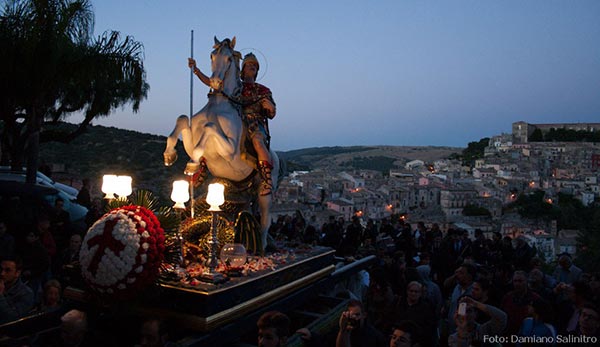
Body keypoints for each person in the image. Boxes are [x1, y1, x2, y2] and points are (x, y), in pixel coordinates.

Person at [189, 50, 277, 196]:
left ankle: (267, 179)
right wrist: (197, 71)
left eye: (254, 65)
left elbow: (272, 113)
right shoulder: (236, 87)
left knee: (257, 141)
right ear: (243, 69)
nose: (252, 67)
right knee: (212, 133)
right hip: (236, 119)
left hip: (254, 122)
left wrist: (270, 107)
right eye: (249, 65)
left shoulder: (263, 90)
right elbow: (214, 83)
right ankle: (203, 166)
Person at [0, 257, 34, 323]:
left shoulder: (26, 293)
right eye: (0, 269)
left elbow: (13, 318)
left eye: (7, 270)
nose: (2, 273)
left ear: (17, 273)